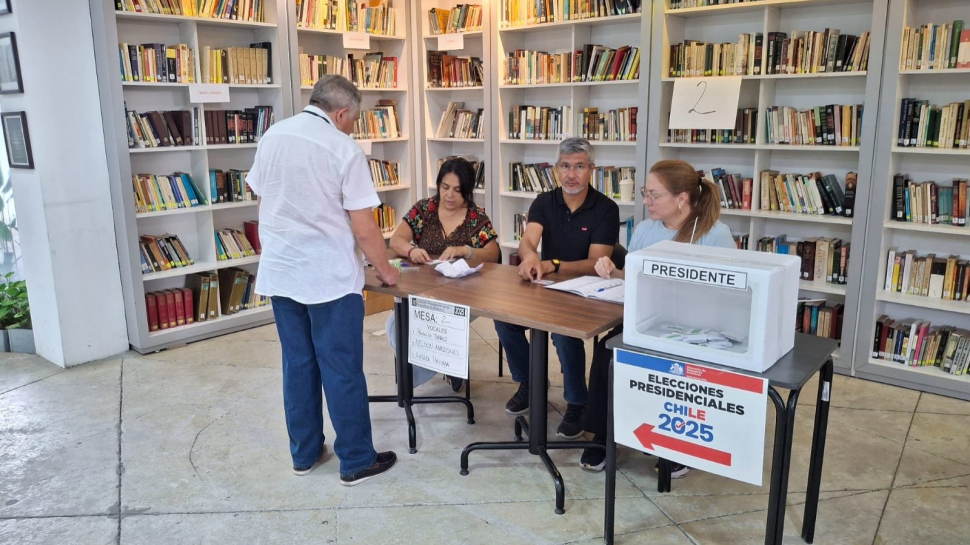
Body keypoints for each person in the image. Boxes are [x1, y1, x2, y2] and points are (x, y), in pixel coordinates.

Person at [246, 75, 399, 485]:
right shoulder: (344, 149)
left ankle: (305, 453)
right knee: (341, 367)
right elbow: (364, 226)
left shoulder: (273, 135)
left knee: (297, 364)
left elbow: (261, 198)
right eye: (355, 119)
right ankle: (357, 460)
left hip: (282, 272)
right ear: (342, 112)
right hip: (328, 277)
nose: (353, 127)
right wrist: (385, 271)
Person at [578, 159, 737, 476]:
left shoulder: (714, 234)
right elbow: (631, 277)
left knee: (669, 365)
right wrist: (611, 271)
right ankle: (605, 435)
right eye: (645, 193)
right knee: (607, 353)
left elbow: (729, 292)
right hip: (647, 322)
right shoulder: (645, 229)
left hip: (693, 329)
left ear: (681, 198)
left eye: (655, 195)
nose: (647, 201)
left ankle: (676, 441)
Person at [494, 137, 620, 439]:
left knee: (564, 332)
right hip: (547, 287)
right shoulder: (544, 201)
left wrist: (553, 264)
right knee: (504, 318)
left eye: (579, 166)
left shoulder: (606, 208)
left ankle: (577, 401)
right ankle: (531, 382)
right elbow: (528, 239)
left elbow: (597, 262)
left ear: (591, 169)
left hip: (589, 291)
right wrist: (529, 256)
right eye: (565, 166)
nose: (571, 174)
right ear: (555, 169)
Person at [386, 157, 500, 390]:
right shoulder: (424, 210)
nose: (449, 195)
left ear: (467, 191)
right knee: (396, 325)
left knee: (437, 320)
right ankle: (445, 364)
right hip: (423, 290)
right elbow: (396, 240)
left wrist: (466, 250)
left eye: (458, 190)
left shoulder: (475, 216)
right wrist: (411, 250)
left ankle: (443, 365)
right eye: (445, 187)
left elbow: (493, 253)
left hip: (465, 294)